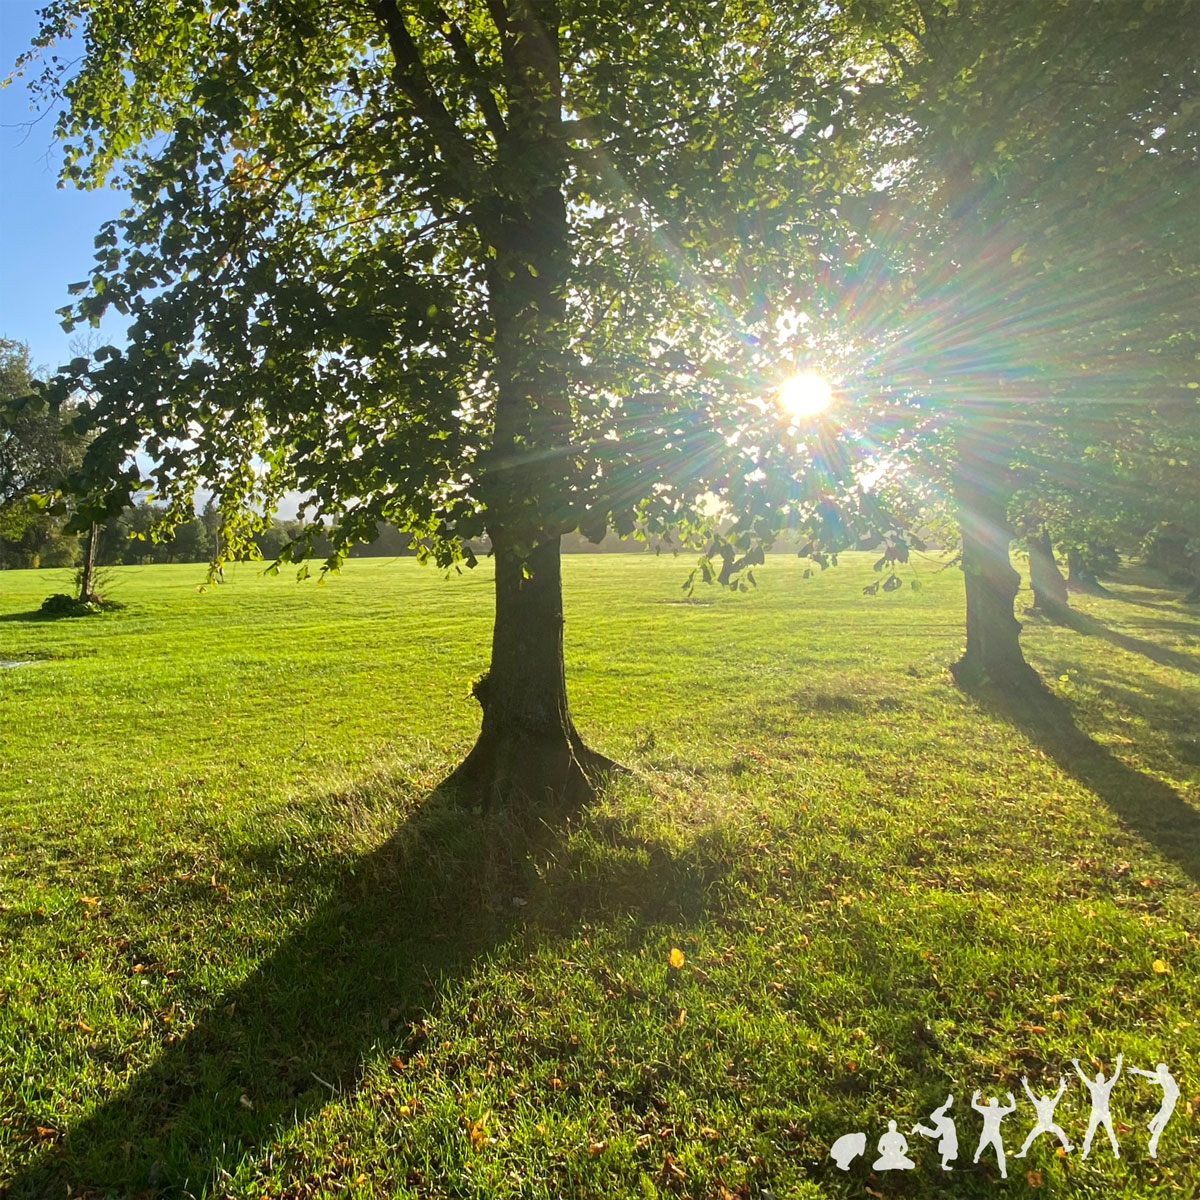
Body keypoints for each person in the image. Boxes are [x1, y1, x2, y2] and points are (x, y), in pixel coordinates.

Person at [1072, 1054, 1123, 1160]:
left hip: (1100, 1112)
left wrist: (1077, 1066)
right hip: (1100, 1112)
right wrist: (1118, 1063)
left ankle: (1113, 1152)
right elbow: (1115, 1076)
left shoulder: (1095, 1087)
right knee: (1098, 1132)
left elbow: (1084, 1078)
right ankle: (1086, 1153)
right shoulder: (1104, 1086)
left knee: (1102, 1132)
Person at [1127, 1062, 1178, 1159]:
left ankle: (1151, 1126)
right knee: (1163, 1118)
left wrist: (1139, 1071)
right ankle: (1153, 1137)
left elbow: (1153, 1075)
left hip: (1169, 1100)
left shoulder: (1167, 1078)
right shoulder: (1167, 1077)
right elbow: (1153, 1075)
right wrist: (1139, 1071)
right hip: (1169, 1101)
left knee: (1162, 1114)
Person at [1014, 1075, 1072, 1157]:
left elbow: (1058, 1096)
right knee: (1030, 1137)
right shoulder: (1039, 1105)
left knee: (1061, 1133)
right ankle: (1023, 1151)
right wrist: (1025, 1085)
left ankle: (1067, 1147)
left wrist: (1062, 1086)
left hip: (1049, 1124)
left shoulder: (1049, 1105)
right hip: (1042, 1124)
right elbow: (1031, 1096)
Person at [971, 1090, 1016, 1178]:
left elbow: (974, 1105)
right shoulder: (997, 1111)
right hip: (990, 1133)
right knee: (984, 1147)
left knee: (992, 1149)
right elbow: (1012, 1108)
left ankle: (1003, 1171)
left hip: (991, 1133)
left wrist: (974, 1098)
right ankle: (976, 1157)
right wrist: (1011, 1099)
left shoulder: (989, 1110)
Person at [912, 1094, 958, 1170]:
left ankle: (919, 1127)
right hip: (947, 1125)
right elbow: (946, 1153)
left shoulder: (950, 1148)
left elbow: (945, 1155)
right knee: (934, 1117)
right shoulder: (953, 1145)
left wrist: (943, 1165)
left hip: (946, 1127)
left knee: (935, 1133)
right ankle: (946, 1105)